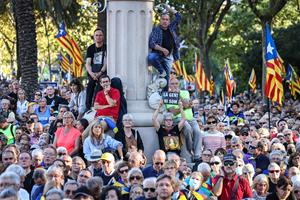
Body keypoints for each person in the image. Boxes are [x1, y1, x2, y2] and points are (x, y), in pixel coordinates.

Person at [147, 4, 181, 90]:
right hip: (158, 55)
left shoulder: (171, 28)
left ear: (169, 22)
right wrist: (162, 49)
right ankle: (162, 71)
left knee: (166, 81)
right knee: (151, 57)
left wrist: (169, 9)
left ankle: (164, 98)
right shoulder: (156, 29)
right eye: (163, 19)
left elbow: (178, 17)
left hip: (169, 57)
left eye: (167, 20)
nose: (165, 21)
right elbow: (151, 43)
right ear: (160, 20)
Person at [85, 28, 107, 110]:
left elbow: (106, 63)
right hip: (93, 73)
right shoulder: (90, 48)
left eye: (100, 35)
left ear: (103, 37)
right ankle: (87, 108)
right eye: (96, 35)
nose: (98, 37)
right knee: (90, 85)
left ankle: (96, 106)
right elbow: (88, 63)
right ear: (94, 37)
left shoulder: (106, 47)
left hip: (102, 72)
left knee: (99, 87)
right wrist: (91, 74)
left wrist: (100, 73)